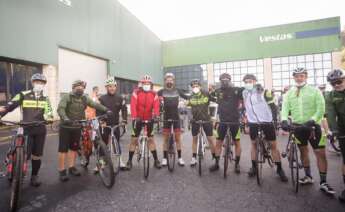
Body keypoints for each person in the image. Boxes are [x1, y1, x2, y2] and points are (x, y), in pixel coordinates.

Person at [281, 68, 335, 194]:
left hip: (313, 127)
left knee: (320, 153)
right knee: (303, 152)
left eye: (302, 76)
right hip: (297, 127)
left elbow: (321, 108)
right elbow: (284, 108)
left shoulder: (314, 90)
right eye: (296, 76)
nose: (299, 78)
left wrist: (313, 120)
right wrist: (284, 119)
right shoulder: (289, 93)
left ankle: (323, 182)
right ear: (293, 77)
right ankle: (308, 176)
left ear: (306, 77)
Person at [0, 73, 53, 187]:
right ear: (33, 83)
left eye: (41, 83)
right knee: (25, 154)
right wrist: (1, 113)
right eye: (37, 82)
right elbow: (10, 105)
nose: (39, 84)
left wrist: (50, 118)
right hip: (26, 128)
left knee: (37, 155)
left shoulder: (46, 98)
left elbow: (49, 112)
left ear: (44, 85)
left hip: (40, 129)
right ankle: (15, 170)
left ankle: (34, 177)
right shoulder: (23, 94)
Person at [57, 80, 111, 182]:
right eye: (78, 86)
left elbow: (94, 104)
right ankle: (62, 170)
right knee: (63, 149)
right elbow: (61, 109)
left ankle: (72, 167)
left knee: (73, 148)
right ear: (73, 87)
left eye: (82, 87)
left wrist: (106, 109)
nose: (80, 88)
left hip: (77, 126)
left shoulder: (84, 98)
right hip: (66, 127)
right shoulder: (67, 97)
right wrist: (65, 118)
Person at [242, 74, 288, 182]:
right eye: (246, 81)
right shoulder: (244, 93)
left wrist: (275, 122)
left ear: (255, 81)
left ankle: (280, 169)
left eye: (250, 81)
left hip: (267, 122)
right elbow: (246, 108)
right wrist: (245, 121)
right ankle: (254, 167)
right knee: (253, 144)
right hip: (253, 122)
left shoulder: (264, 91)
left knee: (273, 146)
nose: (248, 83)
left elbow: (273, 107)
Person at [209, 73, 243, 173]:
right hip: (222, 121)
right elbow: (209, 99)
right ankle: (216, 163)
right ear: (220, 81)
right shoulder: (217, 91)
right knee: (218, 142)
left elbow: (247, 93)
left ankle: (237, 164)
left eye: (226, 79)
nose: (224, 80)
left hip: (234, 121)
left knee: (237, 142)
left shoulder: (236, 90)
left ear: (230, 80)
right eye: (222, 79)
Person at [126, 75, 161, 170]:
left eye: (148, 83)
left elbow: (156, 106)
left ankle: (156, 160)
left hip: (149, 119)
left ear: (150, 84)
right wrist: (134, 116)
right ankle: (129, 161)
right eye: (144, 83)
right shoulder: (136, 92)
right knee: (134, 140)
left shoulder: (154, 94)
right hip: (138, 119)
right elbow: (133, 105)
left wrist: (156, 116)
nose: (146, 85)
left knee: (151, 139)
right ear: (141, 84)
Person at [158, 73, 189, 167]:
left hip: (176, 117)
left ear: (173, 81)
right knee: (165, 139)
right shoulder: (161, 92)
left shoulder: (178, 90)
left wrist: (186, 103)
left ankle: (180, 158)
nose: (169, 81)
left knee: (178, 139)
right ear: (165, 81)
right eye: (167, 79)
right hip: (166, 117)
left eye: (171, 80)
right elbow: (153, 98)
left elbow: (188, 97)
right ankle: (164, 158)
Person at [97, 77, 128, 171]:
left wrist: (124, 120)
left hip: (115, 124)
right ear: (106, 87)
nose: (112, 88)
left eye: (113, 86)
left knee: (116, 143)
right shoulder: (102, 98)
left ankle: (120, 161)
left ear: (116, 87)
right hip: (104, 125)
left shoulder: (120, 97)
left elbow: (124, 110)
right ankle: (101, 163)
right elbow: (98, 111)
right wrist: (101, 121)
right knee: (104, 144)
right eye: (109, 86)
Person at [325, 69, 345, 201]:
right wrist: (334, 131)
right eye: (333, 83)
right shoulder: (331, 96)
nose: (337, 85)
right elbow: (331, 114)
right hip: (343, 130)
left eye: (339, 81)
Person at [187, 79, 216, 168]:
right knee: (194, 139)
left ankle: (215, 157)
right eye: (193, 86)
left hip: (206, 120)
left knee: (210, 139)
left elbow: (214, 103)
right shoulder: (190, 96)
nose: (195, 88)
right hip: (195, 120)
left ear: (200, 86)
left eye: (197, 86)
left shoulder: (206, 93)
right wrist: (190, 118)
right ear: (192, 88)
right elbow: (188, 109)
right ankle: (193, 157)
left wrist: (213, 118)